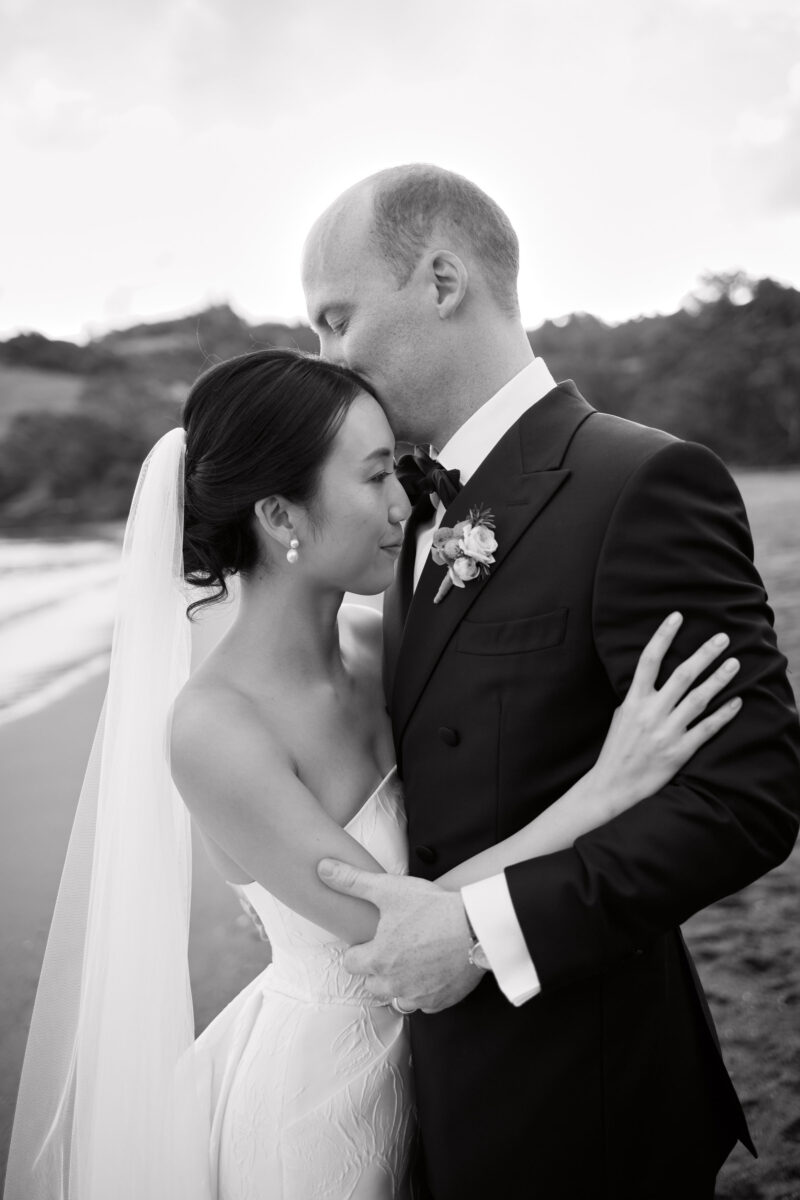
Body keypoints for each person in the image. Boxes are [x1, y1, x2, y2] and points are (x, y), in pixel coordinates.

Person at [5, 348, 746, 1200]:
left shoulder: (379, 645)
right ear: (280, 514)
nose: (406, 504)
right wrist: (608, 787)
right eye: (373, 477)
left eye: (398, 470)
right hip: (320, 1110)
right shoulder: (217, 728)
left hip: (457, 1077)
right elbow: (401, 930)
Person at [301, 165, 800, 1199]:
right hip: (427, 1087)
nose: (328, 360)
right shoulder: (403, 512)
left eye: (336, 319)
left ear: (442, 280)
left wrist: (481, 933)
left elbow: (747, 795)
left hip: (587, 1090)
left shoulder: (641, 482)